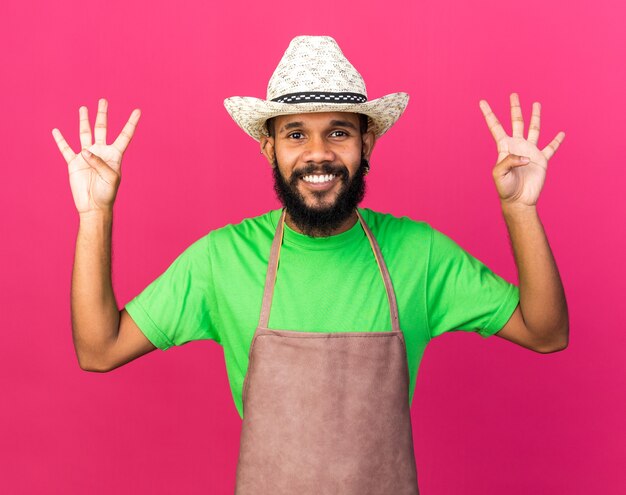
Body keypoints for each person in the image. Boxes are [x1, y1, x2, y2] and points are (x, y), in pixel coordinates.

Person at [52, 35, 568, 494]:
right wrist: (96, 212)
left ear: (368, 143)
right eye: (295, 134)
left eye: (339, 132)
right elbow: (99, 350)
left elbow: (546, 333)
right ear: (267, 146)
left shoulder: (419, 253)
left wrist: (519, 210)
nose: (317, 153)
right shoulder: (222, 258)